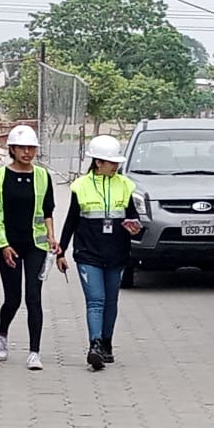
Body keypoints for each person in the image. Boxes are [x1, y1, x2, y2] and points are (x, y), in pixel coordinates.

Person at [57, 135, 142, 371]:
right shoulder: (81, 186)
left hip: (117, 252)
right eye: (111, 162)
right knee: (96, 300)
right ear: (98, 162)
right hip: (88, 253)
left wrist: (135, 227)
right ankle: (94, 345)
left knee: (111, 300)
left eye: (117, 162)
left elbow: (133, 217)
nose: (115, 166)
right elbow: (72, 219)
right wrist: (61, 250)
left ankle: (106, 343)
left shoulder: (125, 185)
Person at [0, 125, 60, 371]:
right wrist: (3, 245)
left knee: (33, 296)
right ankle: (2, 334)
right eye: (22, 148)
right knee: (13, 298)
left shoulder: (42, 176)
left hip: (35, 245)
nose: (27, 152)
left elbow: (48, 210)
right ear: (12, 149)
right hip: (9, 245)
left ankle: (34, 352)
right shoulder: (0, 175)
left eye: (31, 148)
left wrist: (51, 237)